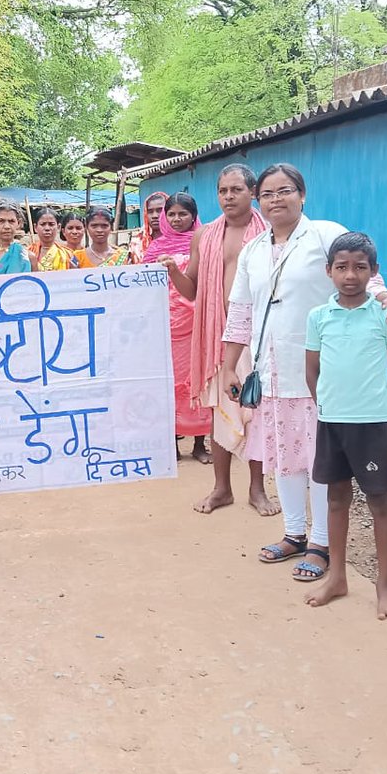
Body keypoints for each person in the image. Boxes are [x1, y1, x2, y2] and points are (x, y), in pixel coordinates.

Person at [221, 163, 387, 581]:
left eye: (284, 191)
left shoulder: (324, 235)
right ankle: (294, 533)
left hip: (322, 375)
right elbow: (241, 312)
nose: (275, 200)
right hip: (271, 371)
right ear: (258, 200)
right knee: (284, 455)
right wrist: (230, 365)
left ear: (302, 194)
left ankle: (322, 542)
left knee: (319, 462)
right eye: (267, 194)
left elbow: (362, 274)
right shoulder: (253, 250)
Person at [304, 232, 387, 619]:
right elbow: (312, 371)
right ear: (328, 271)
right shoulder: (318, 317)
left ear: (373, 271)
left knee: (380, 501)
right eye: (342, 267)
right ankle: (337, 577)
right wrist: (329, 406)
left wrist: (382, 410)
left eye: (360, 267)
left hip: (373, 424)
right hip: (333, 421)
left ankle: (385, 585)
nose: (350, 275)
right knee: (335, 499)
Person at [160, 163, 269, 515]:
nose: (228, 197)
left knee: (256, 411)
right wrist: (175, 272)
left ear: (252, 192)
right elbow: (192, 291)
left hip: (258, 335)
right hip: (216, 337)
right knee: (218, 412)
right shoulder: (204, 235)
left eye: (236, 190)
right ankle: (222, 489)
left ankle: (257, 488)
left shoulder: (268, 232)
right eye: (223, 191)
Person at [147, 193, 212, 463]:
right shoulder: (154, 248)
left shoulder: (205, 245)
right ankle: (171, 445)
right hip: (165, 326)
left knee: (197, 382)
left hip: (197, 324)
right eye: (171, 214)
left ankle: (199, 444)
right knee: (170, 384)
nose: (176, 219)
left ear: (194, 216)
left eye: (183, 214)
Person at [130, 191, 167, 263]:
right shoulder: (137, 243)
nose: (155, 216)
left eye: (160, 210)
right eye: (150, 211)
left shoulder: (180, 241)